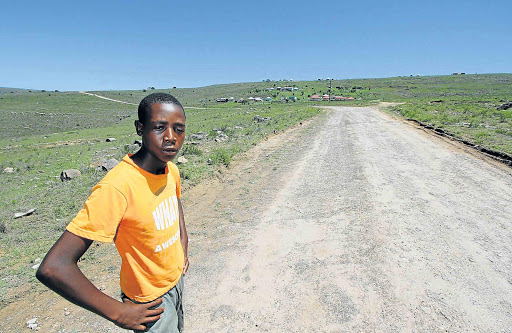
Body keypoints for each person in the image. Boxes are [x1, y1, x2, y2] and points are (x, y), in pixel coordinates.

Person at [37, 93, 189, 332]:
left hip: (176, 283)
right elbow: (54, 266)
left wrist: (183, 247)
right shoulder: (117, 187)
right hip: (150, 303)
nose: (171, 138)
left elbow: (176, 207)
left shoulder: (171, 171)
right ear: (140, 128)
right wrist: (118, 313)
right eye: (159, 127)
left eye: (179, 129)